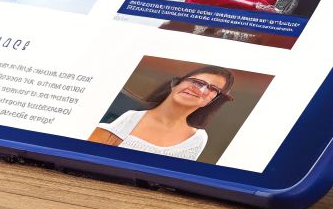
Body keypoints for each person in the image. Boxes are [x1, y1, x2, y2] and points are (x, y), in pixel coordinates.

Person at [89, 66, 236, 161]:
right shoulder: (126, 116)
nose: (199, 89)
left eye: (212, 88)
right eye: (195, 81)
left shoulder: (197, 139)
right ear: (176, 84)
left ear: (213, 100)